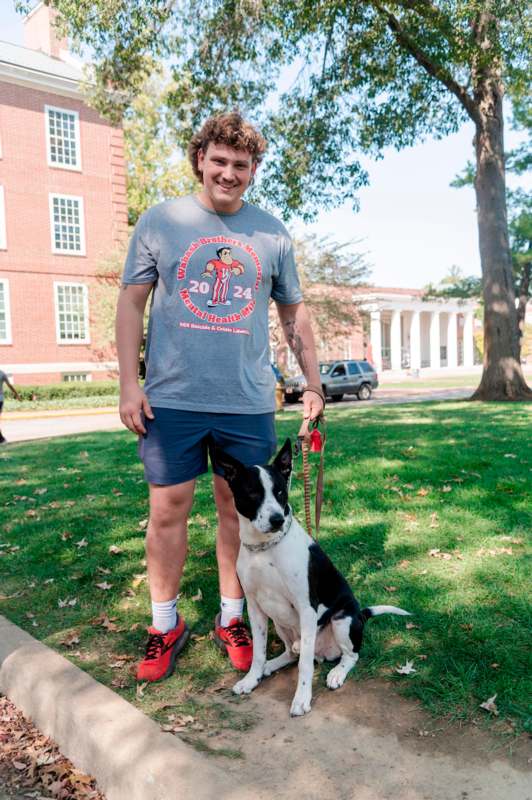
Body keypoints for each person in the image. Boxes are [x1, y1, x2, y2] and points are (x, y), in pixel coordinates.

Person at [116, 112, 325, 683]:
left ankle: (232, 617)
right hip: (172, 399)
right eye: (219, 161)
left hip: (247, 400)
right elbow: (132, 302)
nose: (228, 173)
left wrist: (311, 380)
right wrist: (128, 382)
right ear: (200, 161)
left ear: (253, 170)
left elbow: (294, 313)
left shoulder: (272, 233)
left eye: (241, 164)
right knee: (168, 511)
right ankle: (165, 624)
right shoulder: (162, 222)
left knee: (239, 513)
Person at [0, 370, 21, 443]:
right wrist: (16, 394)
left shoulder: (2, 374)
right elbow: (9, 385)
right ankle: (1, 438)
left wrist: (16, 394)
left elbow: (9, 385)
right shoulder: (2, 373)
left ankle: (1, 439)